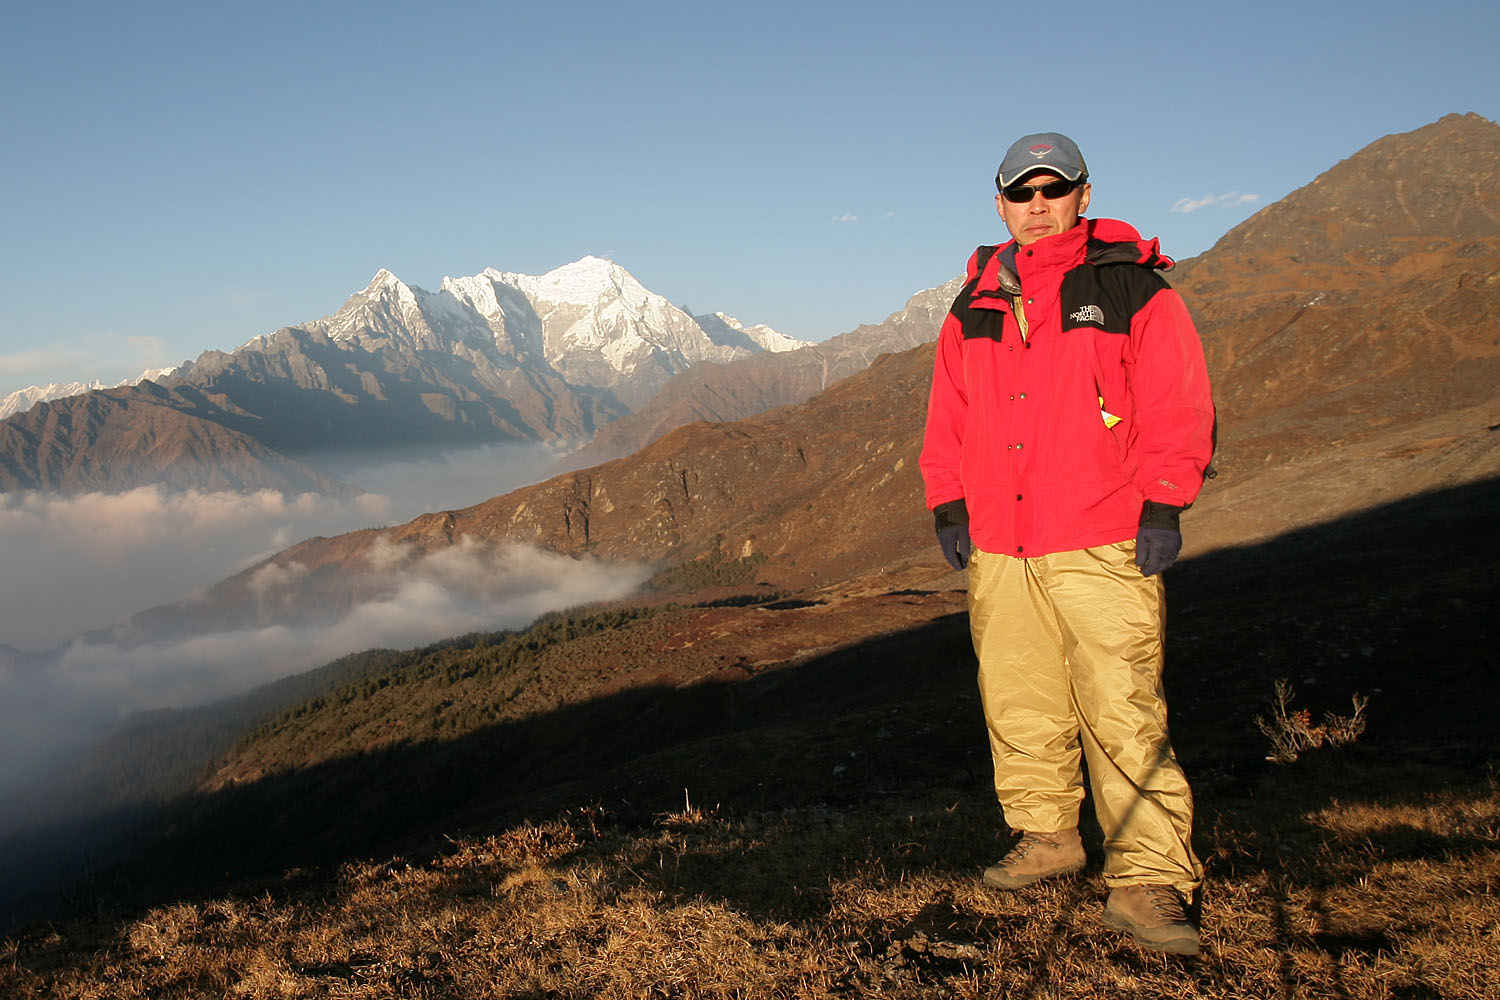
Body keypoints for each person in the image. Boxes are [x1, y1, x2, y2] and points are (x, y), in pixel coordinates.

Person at [919, 132, 1216, 956]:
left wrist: (1165, 503)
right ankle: (1047, 835)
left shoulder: (1131, 288)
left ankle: (1148, 878)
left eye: (1054, 190)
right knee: (1021, 699)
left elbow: (1177, 400)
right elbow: (949, 412)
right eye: (1023, 193)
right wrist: (948, 501)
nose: (1039, 205)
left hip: (1102, 533)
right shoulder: (974, 303)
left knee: (1121, 705)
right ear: (1001, 205)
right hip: (1000, 541)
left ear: (1083, 196)